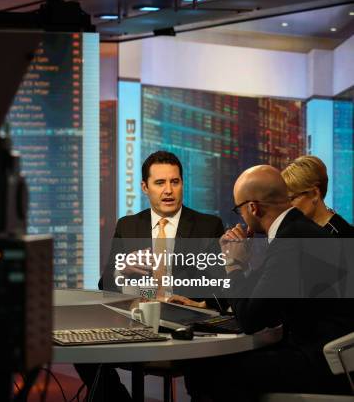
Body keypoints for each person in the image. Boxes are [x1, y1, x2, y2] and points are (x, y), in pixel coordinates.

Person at [185, 165, 354, 401]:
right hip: (328, 355)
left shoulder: (289, 241)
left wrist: (234, 264)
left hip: (323, 364)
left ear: (253, 208)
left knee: (203, 371)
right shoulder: (297, 230)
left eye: (239, 210)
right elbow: (261, 300)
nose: (240, 218)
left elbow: (249, 319)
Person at [78, 151, 226, 402]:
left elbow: (219, 287)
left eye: (174, 182)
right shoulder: (128, 226)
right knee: (84, 353)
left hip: (185, 326)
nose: (168, 190)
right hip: (137, 321)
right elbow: (106, 284)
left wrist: (192, 302)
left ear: (182, 184)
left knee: (209, 374)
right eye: (160, 183)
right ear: (145, 187)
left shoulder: (207, 225)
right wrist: (122, 269)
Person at [281, 155, 354, 237]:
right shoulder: (299, 229)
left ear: (315, 194)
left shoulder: (342, 235)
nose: (288, 206)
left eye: (292, 198)